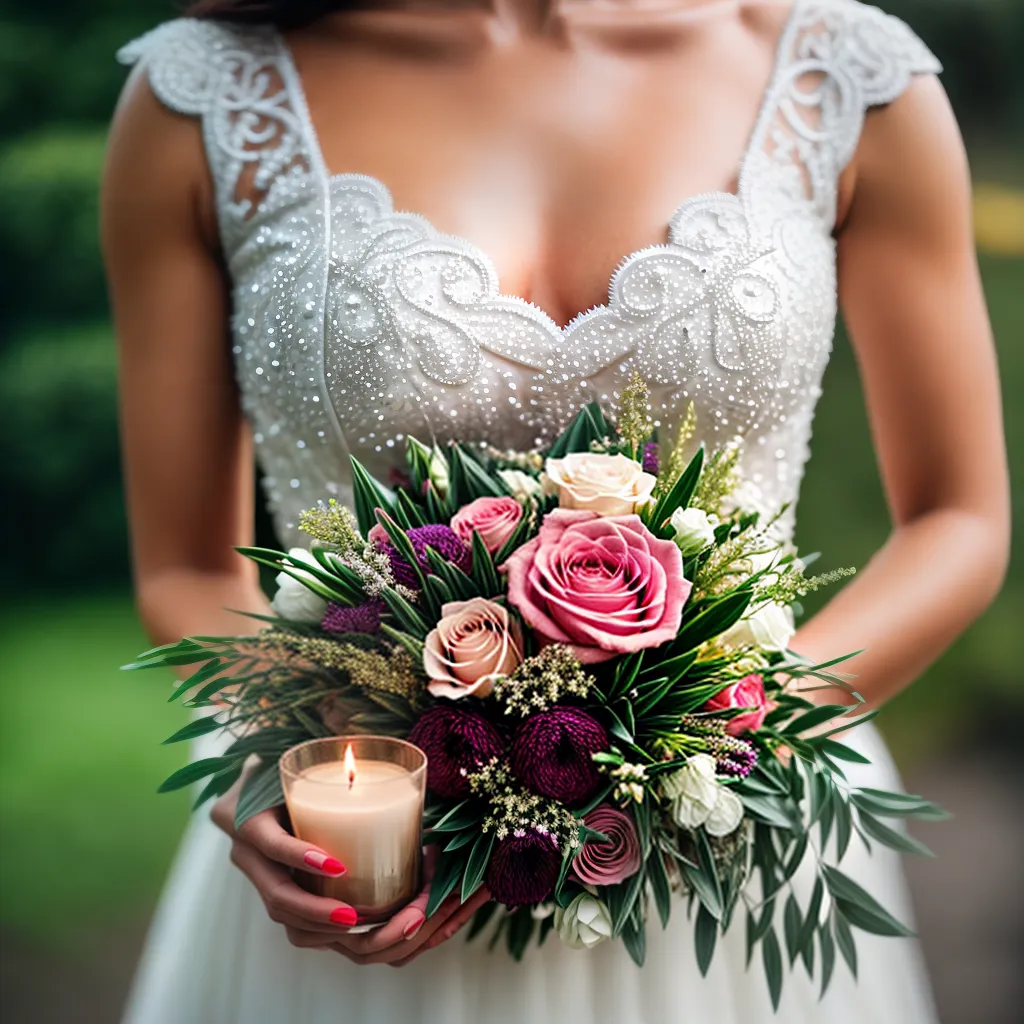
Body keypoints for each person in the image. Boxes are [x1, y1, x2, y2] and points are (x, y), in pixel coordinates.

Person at [102, 1, 1010, 1021]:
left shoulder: (846, 75)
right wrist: (276, 755)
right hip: (374, 873)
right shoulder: (208, 96)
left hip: (734, 858)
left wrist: (718, 743)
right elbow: (183, 565)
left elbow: (957, 516)